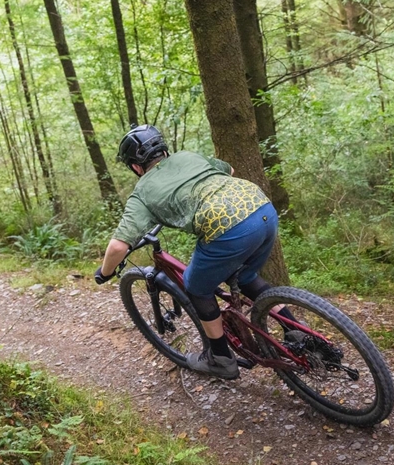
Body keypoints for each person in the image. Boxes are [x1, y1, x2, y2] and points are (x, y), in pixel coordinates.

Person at [95, 124, 278, 380]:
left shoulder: (143, 192)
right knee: (246, 277)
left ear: (136, 167)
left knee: (195, 285)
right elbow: (230, 170)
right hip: (261, 206)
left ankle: (220, 359)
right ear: (163, 149)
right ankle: (298, 331)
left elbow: (118, 246)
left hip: (228, 226)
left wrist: (104, 273)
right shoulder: (188, 156)